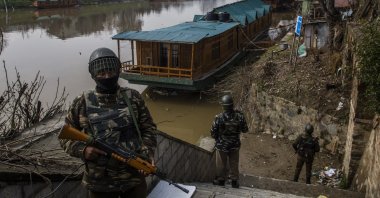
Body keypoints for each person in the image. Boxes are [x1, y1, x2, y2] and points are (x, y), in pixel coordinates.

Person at [60, 47, 157, 198]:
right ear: (93, 75)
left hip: (133, 180)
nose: (107, 76)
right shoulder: (82, 102)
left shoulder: (133, 97)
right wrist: (83, 150)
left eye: (111, 72)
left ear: (118, 71)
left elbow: (149, 128)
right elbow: (65, 136)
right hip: (100, 184)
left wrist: (146, 154)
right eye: (101, 73)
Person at [210, 94, 248, 188]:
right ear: (232, 105)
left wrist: (218, 139)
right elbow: (245, 130)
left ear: (223, 106)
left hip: (222, 145)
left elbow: (213, 133)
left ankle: (221, 180)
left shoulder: (218, 117)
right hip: (235, 144)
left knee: (221, 163)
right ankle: (234, 182)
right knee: (234, 162)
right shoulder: (240, 116)